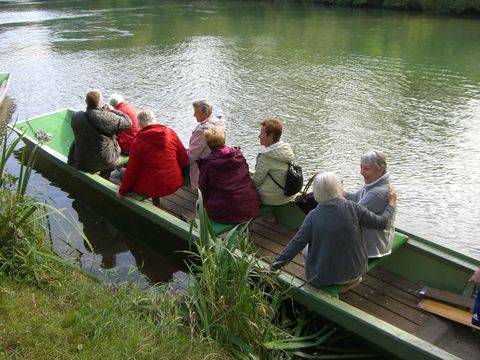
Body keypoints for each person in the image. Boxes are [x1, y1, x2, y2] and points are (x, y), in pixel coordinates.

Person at [270, 172, 396, 289]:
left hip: (323, 278)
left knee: (306, 248)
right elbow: (383, 223)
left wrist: (273, 267)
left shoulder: (313, 216)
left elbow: (294, 246)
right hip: (356, 273)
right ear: (338, 188)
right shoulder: (355, 208)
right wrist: (391, 203)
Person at [117, 109, 188, 206]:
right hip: (173, 182)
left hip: (151, 186)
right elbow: (183, 158)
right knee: (156, 168)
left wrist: (122, 191)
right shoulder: (171, 133)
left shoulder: (138, 142)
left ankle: (151, 202)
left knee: (122, 173)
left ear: (141, 124)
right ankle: (156, 201)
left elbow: (132, 171)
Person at [197, 127, 260, 224]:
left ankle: (201, 229)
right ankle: (245, 229)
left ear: (208, 144)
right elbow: (247, 173)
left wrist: (206, 202)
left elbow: (203, 186)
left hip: (225, 212)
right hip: (250, 205)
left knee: (199, 204)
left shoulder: (208, 163)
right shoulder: (238, 155)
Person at [68, 89, 132, 179]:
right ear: (100, 102)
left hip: (81, 162)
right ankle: (104, 178)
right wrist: (113, 110)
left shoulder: (76, 116)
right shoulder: (108, 117)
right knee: (114, 154)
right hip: (102, 162)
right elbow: (128, 122)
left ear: (86, 102)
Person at [344, 150, 395, 258]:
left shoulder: (377, 192)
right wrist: (338, 191)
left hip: (374, 248)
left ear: (380, 170)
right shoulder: (374, 182)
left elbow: (352, 214)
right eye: (361, 167)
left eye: (366, 168)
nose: (361, 172)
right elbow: (355, 198)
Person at [252, 119, 297, 205]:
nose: (259, 136)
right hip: (289, 195)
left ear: (271, 136)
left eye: (262, 133)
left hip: (271, 199)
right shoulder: (286, 150)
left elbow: (256, 182)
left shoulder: (266, 157)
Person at [187, 100, 225, 190]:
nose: (194, 115)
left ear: (206, 114)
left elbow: (191, 157)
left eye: (196, 112)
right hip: (215, 165)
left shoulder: (202, 131)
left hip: (202, 169)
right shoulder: (219, 123)